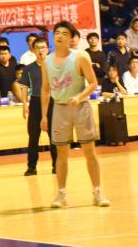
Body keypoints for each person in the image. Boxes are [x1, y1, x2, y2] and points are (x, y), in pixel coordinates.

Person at [41, 20, 110, 209]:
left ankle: (97, 192)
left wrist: (79, 97)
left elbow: (93, 83)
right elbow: (45, 89)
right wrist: (44, 115)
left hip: (80, 108)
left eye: (64, 33)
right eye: (57, 32)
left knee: (89, 151)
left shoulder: (80, 57)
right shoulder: (47, 61)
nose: (59, 36)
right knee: (61, 154)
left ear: (71, 39)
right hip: (59, 108)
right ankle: (61, 194)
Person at [19, 38, 56, 176]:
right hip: (35, 102)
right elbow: (24, 87)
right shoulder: (28, 68)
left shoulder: (54, 66)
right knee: (33, 136)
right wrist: (24, 104)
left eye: (43, 47)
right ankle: (31, 167)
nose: (41, 50)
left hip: (52, 102)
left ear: (48, 49)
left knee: (54, 136)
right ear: (33, 50)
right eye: (38, 48)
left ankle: (56, 166)